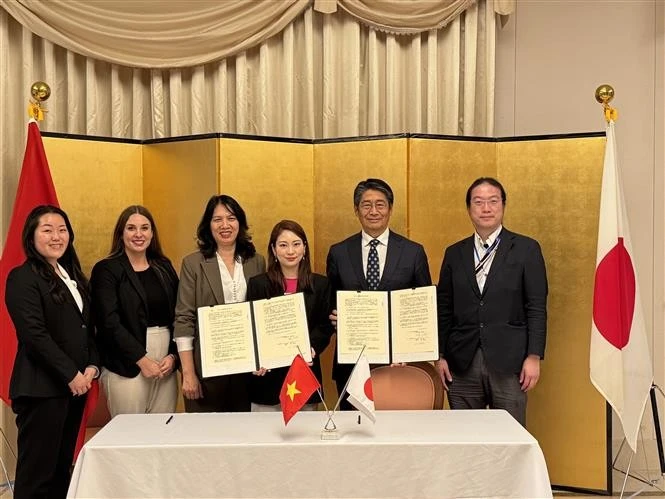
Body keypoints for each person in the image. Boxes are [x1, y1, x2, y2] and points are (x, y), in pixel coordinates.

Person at [436, 177, 548, 427]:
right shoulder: (455, 253)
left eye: (492, 201)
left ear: (503, 206)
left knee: (509, 437)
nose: (486, 208)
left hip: (510, 362)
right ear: (469, 209)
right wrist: (440, 354)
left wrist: (534, 356)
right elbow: (443, 307)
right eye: (478, 202)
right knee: (466, 438)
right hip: (461, 361)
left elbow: (536, 307)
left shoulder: (526, 249)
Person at [5, 205, 99, 499]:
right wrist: (71, 373)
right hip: (42, 390)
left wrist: (93, 366)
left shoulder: (71, 275)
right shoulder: (22, 277)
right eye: (47, 230)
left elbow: (88, 328)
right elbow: (34, 334)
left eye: (62, 230)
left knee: (61, 470)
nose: (56, 236)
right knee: (37, 474)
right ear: (31, 236)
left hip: (74, 390)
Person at [326, 178, 431, 408]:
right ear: (356, 210)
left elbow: (423, 311)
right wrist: (334, 317)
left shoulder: (413, 252)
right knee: (353, 429)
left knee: (395, 432)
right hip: (351, 363)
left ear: (390, 209)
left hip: (398, 363)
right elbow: (330, 302)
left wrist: (409, 351)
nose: (373, 211)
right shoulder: (339, 252)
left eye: (380, 204)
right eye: (366, 205)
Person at [174, 195, 266, 412]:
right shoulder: (193, 264)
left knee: (243, 437)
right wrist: (188, 373)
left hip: (248, 372)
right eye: (217, 219)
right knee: (205, 439)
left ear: (240, 223)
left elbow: (262, 314)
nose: (225, 225)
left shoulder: (256, 261)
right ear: (208, 225)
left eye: (231, 218)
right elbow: (184, 318)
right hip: (206, 373)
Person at [90, 205, 179, 416]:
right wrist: (142, 359)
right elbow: (108, 322)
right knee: (129, 432)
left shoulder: (163, 266)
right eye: (131, 228)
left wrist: (174, 357)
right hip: (127, 361)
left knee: (162, 431)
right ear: (121, 234)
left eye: (145, 228)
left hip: (165, 359)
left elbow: (180, 314)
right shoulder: (106, 270)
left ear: (152, 233)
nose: (138, 234)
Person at [247, 220, 333, 411]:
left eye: (296, 244)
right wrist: (256, 358)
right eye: (283, 245)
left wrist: (312, 347)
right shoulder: (258, 284)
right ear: (274, 250)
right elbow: (252, 327)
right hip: (267, 381)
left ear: (304, 248)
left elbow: (325, 326)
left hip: (305, 376)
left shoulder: (320, 285)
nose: (290, 251)